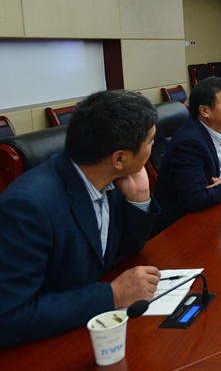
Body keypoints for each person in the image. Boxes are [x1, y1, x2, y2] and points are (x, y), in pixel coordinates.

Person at [0, 90, 161, 348]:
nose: (153, 147)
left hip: (90, 329)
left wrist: (139, 198)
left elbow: (126, 249)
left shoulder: (109, 177)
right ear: (120, 158)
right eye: (150, 142)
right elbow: (7, 318)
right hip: (45, 348)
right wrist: (113, 295)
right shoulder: (28, 208)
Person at [152, 77, 221, 235]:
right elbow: (194, 199)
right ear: (205, 111)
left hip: (212, 211)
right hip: (179, 229)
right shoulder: (189, 143)